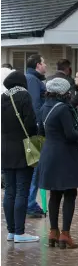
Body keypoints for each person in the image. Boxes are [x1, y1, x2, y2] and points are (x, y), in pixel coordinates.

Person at [38, 78, 78, 249]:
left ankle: (52, 232)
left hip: (49, 154)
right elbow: (70, 134)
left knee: (55, 194)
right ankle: (65, 234)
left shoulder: (44, 107)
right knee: (70, 193)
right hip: (65, 156)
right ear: (64, 92)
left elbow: (41, 131)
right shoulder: (64, 108)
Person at [1, 69, 40, 243]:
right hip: (24, 149)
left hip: (5, 149)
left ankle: (10, 231)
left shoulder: (3, 97)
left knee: (9, 191)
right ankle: (20, 232)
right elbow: (31, 124)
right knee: (22, 191)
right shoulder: (24, 96)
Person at [25, 54, 47, 218]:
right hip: (35, 131)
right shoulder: (33, 80)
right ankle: (30, 203)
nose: (45, 65)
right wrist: (41, 125)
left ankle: (29, 202)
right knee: (35, 167)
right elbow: (35, 105)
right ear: (38, 65)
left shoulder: (32, 78)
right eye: (44, 62)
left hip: (33, 130)